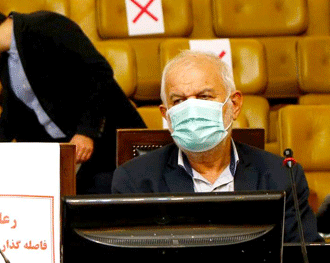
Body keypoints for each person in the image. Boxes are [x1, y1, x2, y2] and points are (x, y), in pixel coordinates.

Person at [112, 50, 320, 243]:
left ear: (234, 105)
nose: (192, 109)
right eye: (179, 101)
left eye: (204, 96)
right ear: (166, 115)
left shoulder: (282, 177)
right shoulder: (134, 181)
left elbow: (305, 261)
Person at [0, 0, 145, 193]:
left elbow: (98, 73)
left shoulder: (46, 26)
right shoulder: (6, 64)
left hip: (110, 148)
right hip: (73, 160)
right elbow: (11, 121)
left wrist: (86, 131)